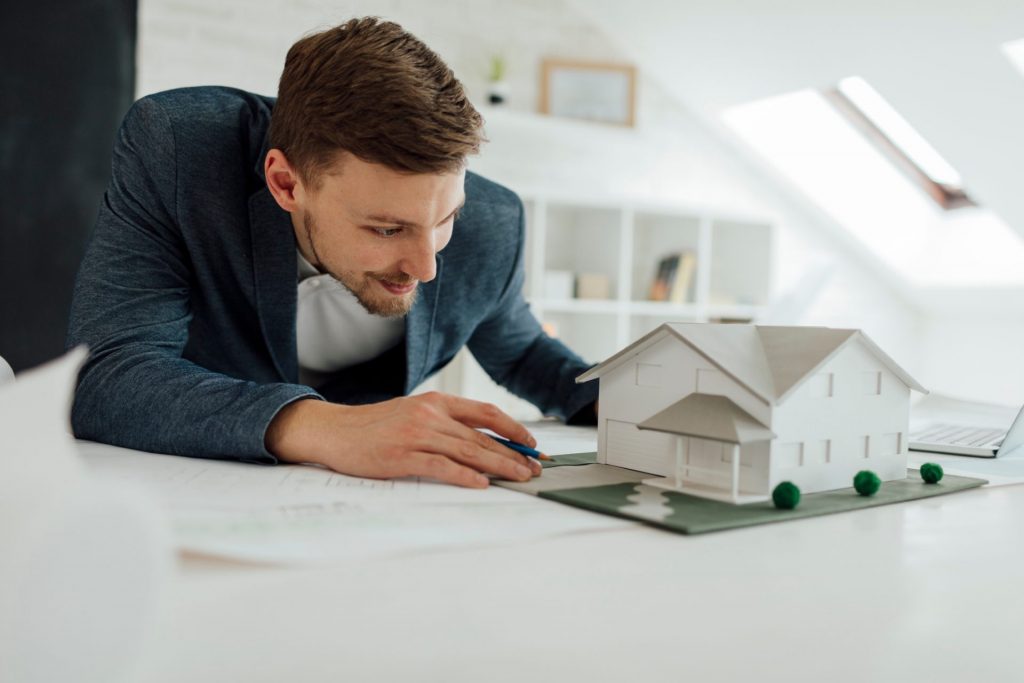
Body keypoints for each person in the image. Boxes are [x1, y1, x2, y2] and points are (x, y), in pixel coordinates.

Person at [67, 17, 598, 488]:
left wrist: (640, 400)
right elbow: (109, 375)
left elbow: (524, 352)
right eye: (387, 229)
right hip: (185, 490)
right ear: (285, 183)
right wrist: (327, 429)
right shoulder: (181, 150)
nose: (427, 266)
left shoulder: (494, 220)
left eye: (445, 219)